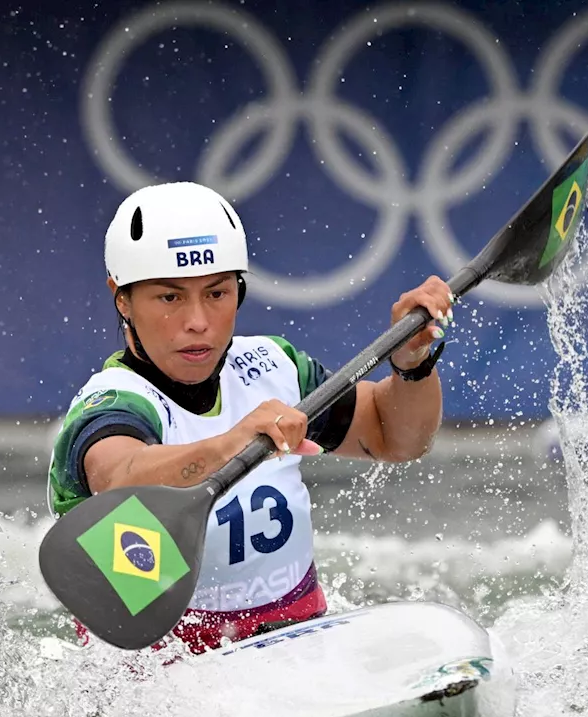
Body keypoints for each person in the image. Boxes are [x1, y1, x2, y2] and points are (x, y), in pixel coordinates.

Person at [46, 181, 453, 655]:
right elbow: (120, 479)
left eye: (216, 294)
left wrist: (412, 364)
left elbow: (394, 438)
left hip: (298, 644)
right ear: (123, 298)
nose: (198, 320)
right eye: (170, 298)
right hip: (161, 677)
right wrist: (232, 441)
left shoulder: (271, 367)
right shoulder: (114, 403)